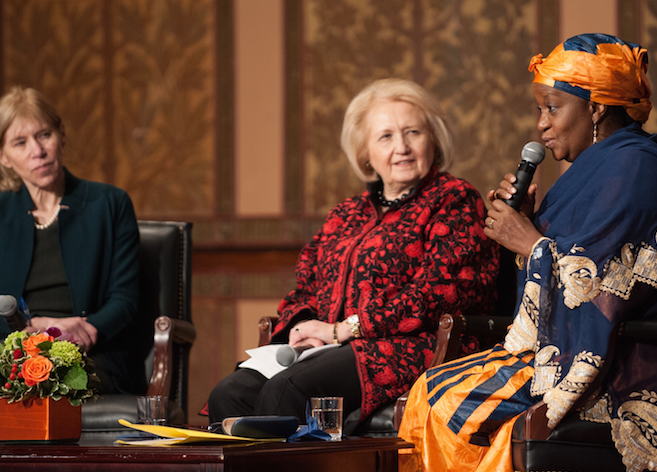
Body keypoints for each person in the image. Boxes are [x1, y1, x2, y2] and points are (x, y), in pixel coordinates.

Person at [398, 33, 657, 472]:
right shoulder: (597, 168)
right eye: (540, 110)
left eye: (552, 108)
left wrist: (531, 243)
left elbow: (596, 288)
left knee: (449, 405)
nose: (541, 124)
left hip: (638, 368)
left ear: (595, 107)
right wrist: (529, 228)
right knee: (429, 390)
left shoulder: (635, 169)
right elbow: (566, 267)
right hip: (588, 349)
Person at [208, 78, 500, 429]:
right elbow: (306, 286)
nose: (403, 147)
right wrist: (304, 328)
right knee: (230, 393)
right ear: (366, 153)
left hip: (413, 348)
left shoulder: (454, 199)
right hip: (330, 349)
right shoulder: (346, 213)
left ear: (433, 141)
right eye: (386, 136)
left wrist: (346, 329)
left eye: (413, 133)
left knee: (289, 389)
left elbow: (440, 292)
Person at [0, 86, 146, 395]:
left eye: (44, 135)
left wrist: (84, 330)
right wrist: (34, 331)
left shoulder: (110, 204)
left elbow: (124, 301)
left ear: (61, 134)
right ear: (2, 155)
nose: (37, 150)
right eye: (20, 142)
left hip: (90, 353)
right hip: (13, 352)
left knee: (59, 385)